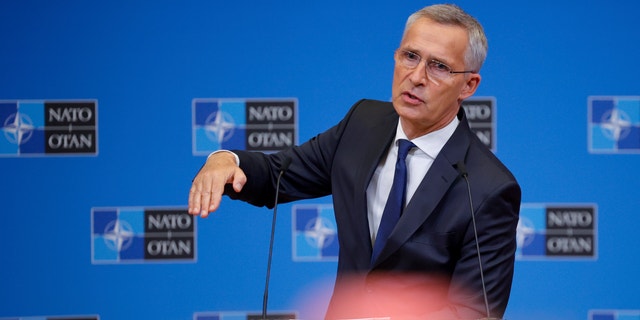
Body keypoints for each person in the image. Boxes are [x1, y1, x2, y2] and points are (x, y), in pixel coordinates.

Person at [189, 4, 521, 319]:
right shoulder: (362, 124)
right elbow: (279, 174)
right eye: (410, 56)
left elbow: (474, 313)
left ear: (469, 85)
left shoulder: (488, 188)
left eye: (438, 67)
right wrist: (226, 160)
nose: (417, 76)